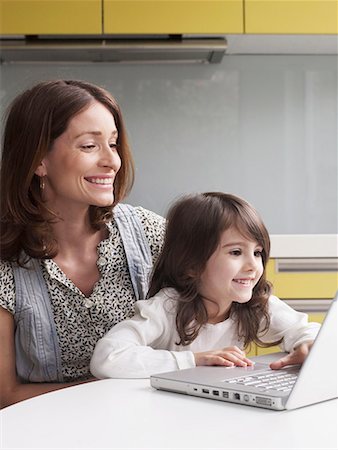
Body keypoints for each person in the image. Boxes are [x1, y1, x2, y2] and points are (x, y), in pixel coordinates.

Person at [0, 80, 166, 408]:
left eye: (114, 144)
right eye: (90, 146)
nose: (112, 162)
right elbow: (5, 397)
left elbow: (240, 286)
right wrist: (114, 390)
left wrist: (298, 337)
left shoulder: (148, 233)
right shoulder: (6, 261)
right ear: (39, 161)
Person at [90, 192, 320, 379]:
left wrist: (307, 343)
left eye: (258, 252)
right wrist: (195, 360)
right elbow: (107, 358)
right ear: (192, 264)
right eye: (236, 252)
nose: (253, 266)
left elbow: (308, 330)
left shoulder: (255, 305)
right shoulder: (167, 307)